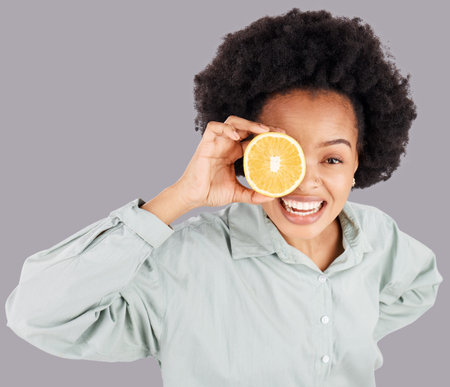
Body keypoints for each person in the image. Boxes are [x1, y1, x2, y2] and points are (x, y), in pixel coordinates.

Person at [5, 8, 443, 387]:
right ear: (247, 152)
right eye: (283, 155)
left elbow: (421, 285)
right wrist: (182, 195)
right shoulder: (185, 264)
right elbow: (38, 315)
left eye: (331, 160)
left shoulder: (378, 236)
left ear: (358, 164)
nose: (305, 183)